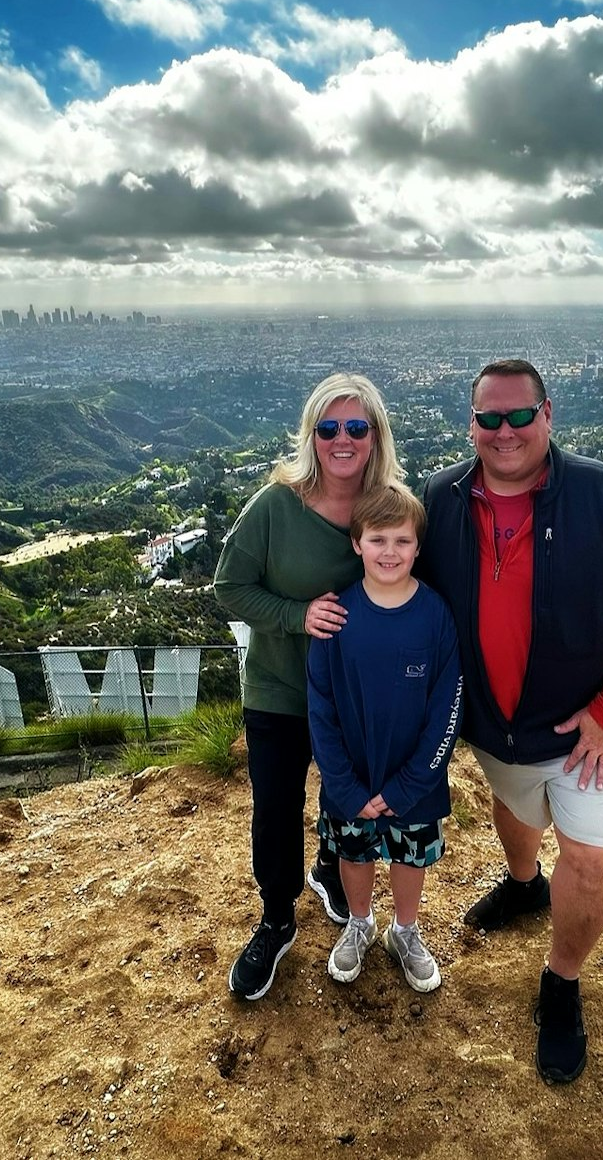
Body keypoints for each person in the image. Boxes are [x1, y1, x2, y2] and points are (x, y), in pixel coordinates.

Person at [420, 358, 603, 1084]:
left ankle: (562, 979)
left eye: (519, 416)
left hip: (585, 730)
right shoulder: (439, 500)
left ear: (547, 415)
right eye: (489, 419)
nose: (505, 432)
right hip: (494, 724)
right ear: (471, 425)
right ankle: (525, 883)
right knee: (513, 805)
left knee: (589, 857)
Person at [214, 373, 402, 1001]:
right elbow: (230, 587)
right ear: (311, 435)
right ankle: (275, 919)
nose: (342, 440)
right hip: (278, 688)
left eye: (356, 427)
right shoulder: (275, 506)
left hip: (354, 695)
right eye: (328, 428)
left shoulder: (388, 510)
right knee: (274, 808)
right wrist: (297, 616)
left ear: (375, 436)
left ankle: (330, 870)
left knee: (347, 799)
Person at [307, 483, 462, 993]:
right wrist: (345, 788)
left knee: (408, 856)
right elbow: (321, 709)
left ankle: (405, 931)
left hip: (414, 782)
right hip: (350, 778)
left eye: (402, 540)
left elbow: (447, 709)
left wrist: (410, 784)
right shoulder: (337, 617)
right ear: (356, 543)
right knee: (353, 854)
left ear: (419, 546)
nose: (390, 552)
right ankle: (360, 922)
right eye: (377, 539)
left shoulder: (437, 615)